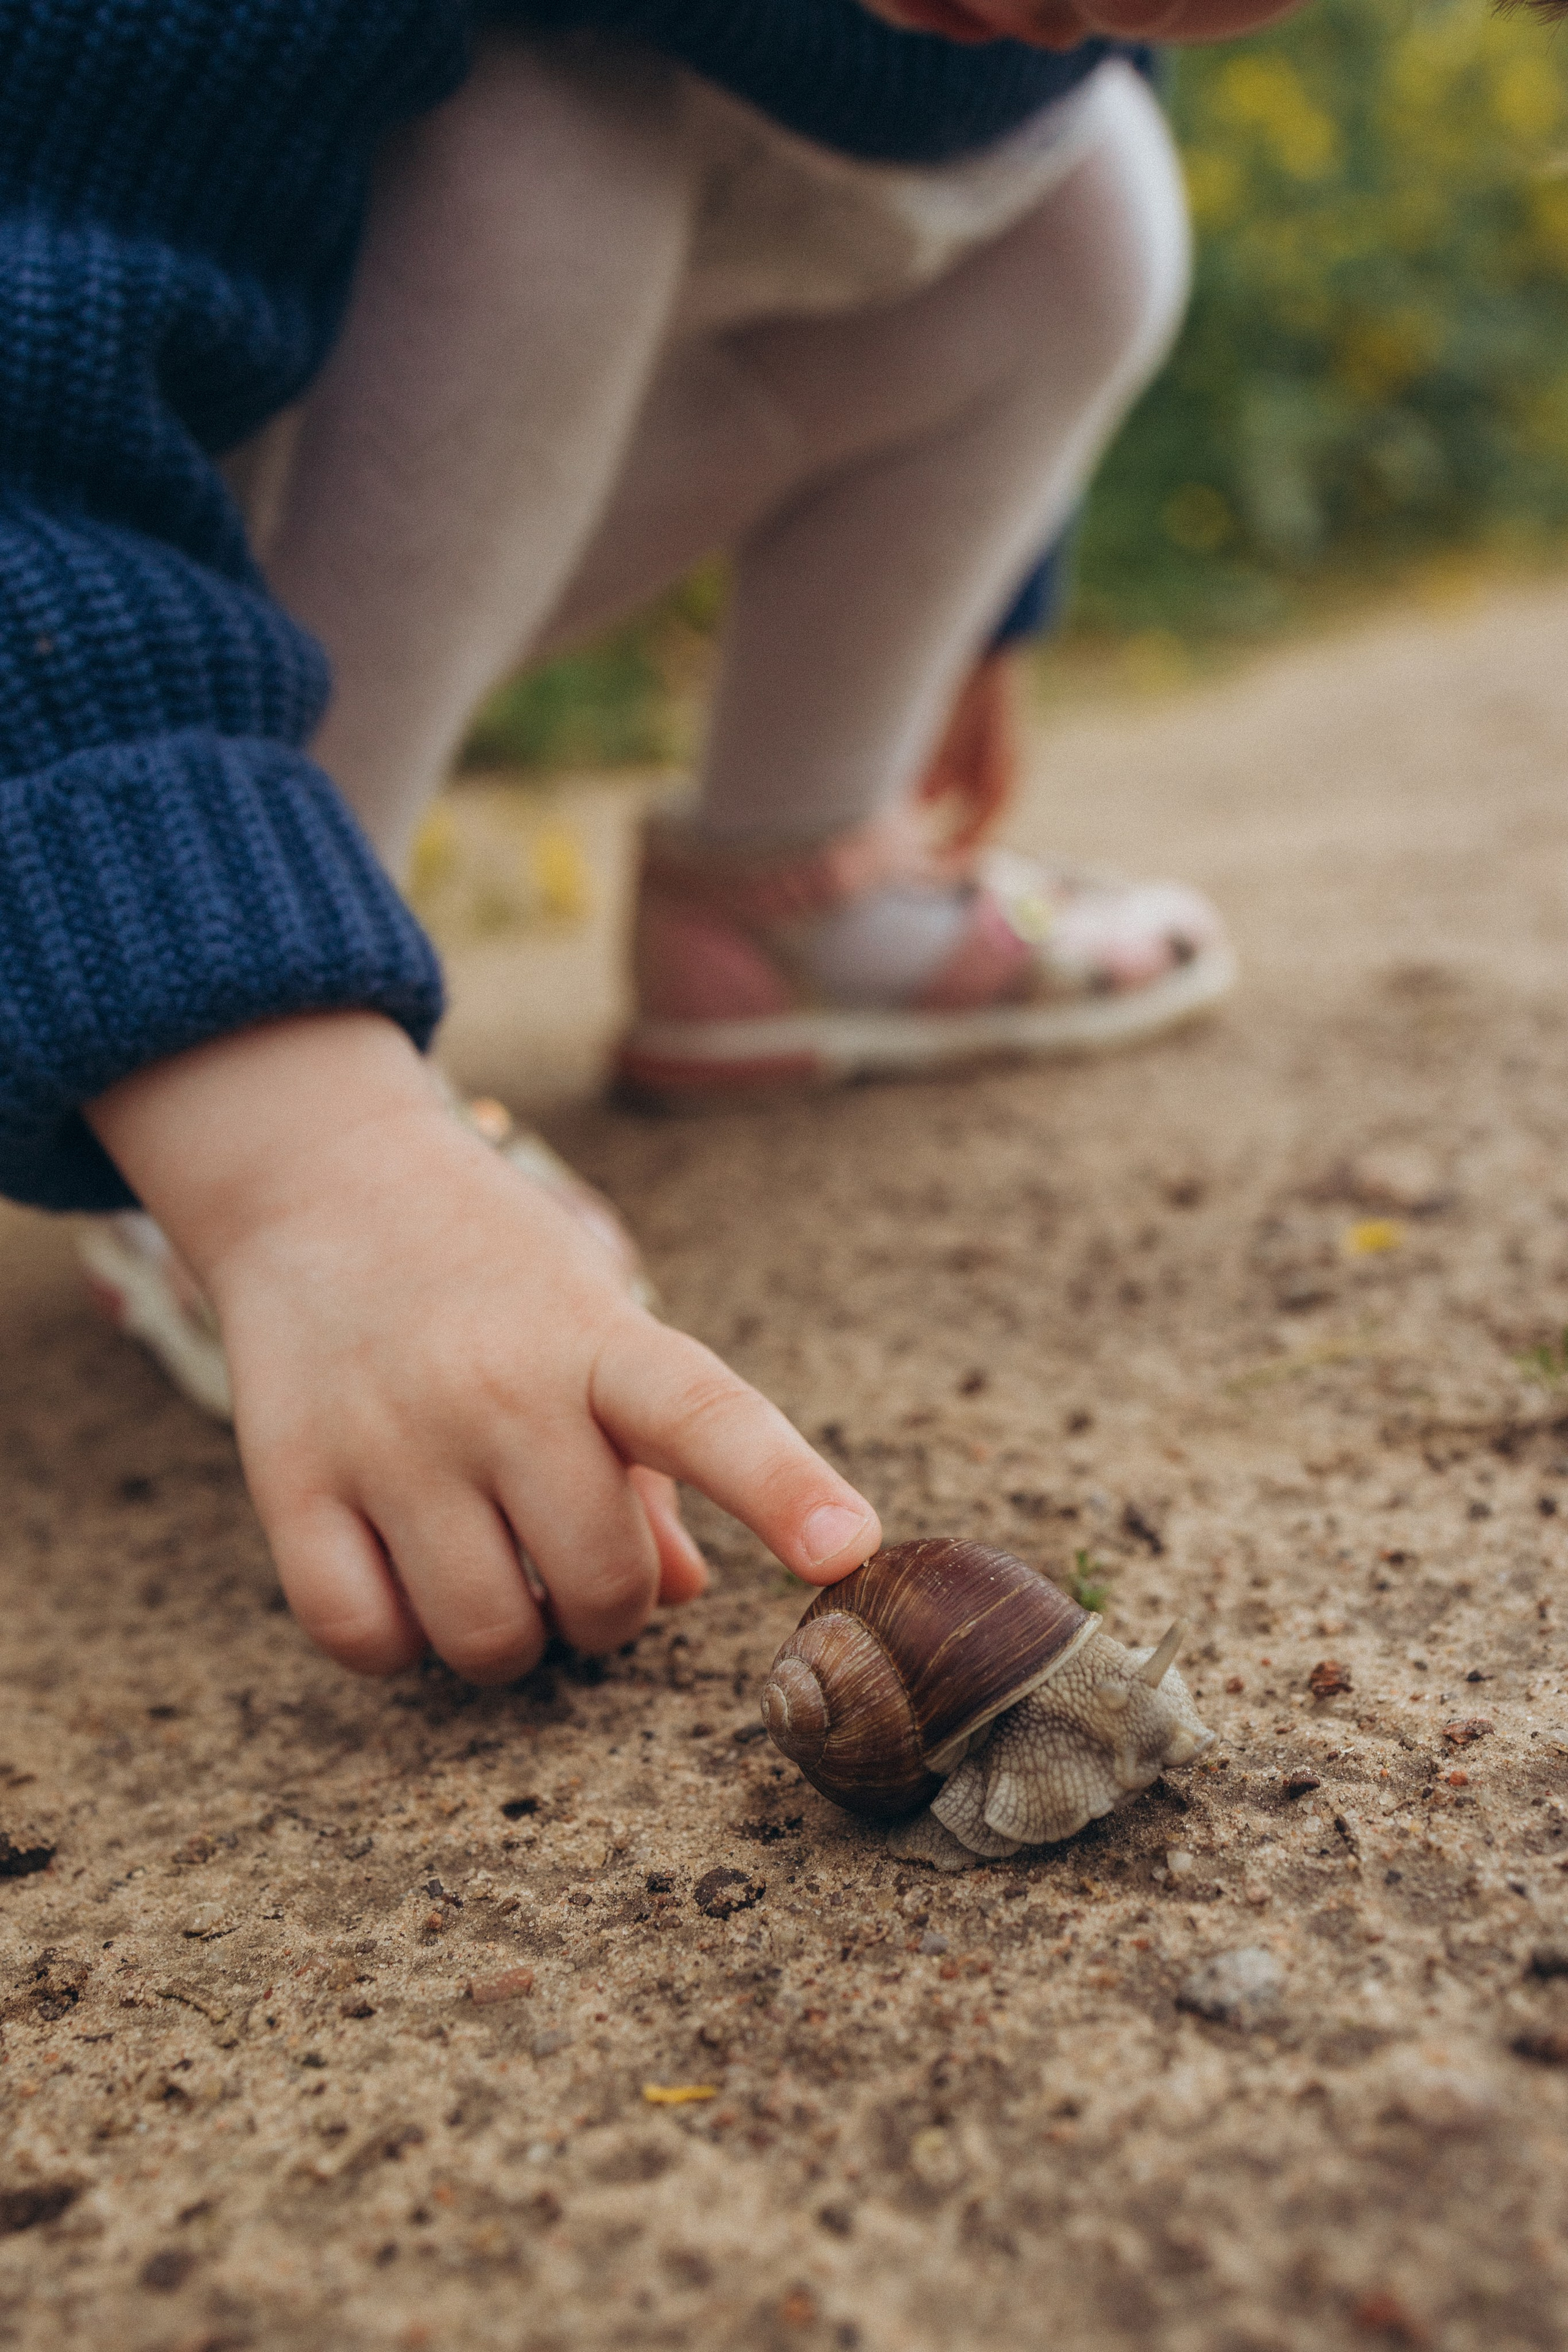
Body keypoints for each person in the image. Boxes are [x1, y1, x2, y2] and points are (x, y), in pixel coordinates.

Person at [0, 0, 1299, 1703]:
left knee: (1077, 188)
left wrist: (981, 595)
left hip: (436, 440)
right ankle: (285, 986)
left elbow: (1051, 88)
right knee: (553, 133)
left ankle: (781, 889)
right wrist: (299, 1155)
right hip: (112, 502)